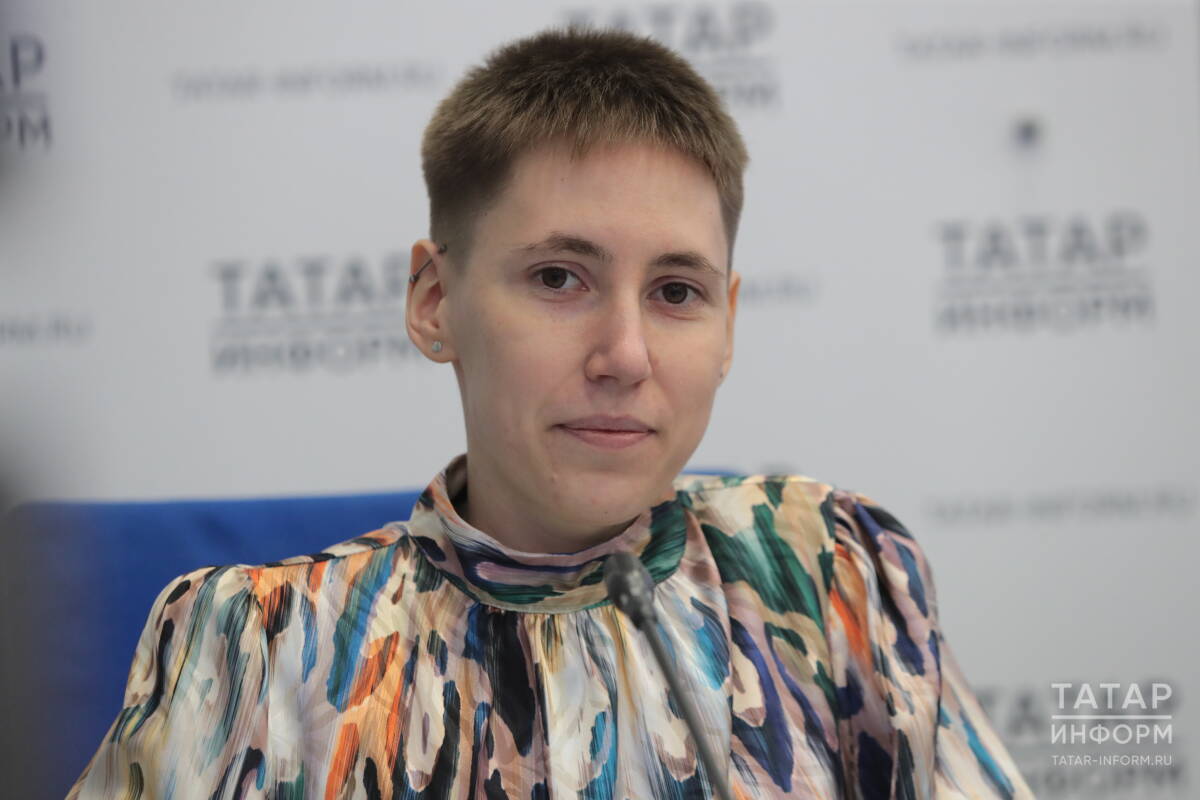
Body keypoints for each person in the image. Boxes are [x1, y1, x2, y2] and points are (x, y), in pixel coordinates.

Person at [70, 27, 1032, 799]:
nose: (626, 356)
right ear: (434, 302)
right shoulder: (261, 648)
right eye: (559, 278)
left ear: (729, 326)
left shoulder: (828, 573)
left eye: (677, 293)